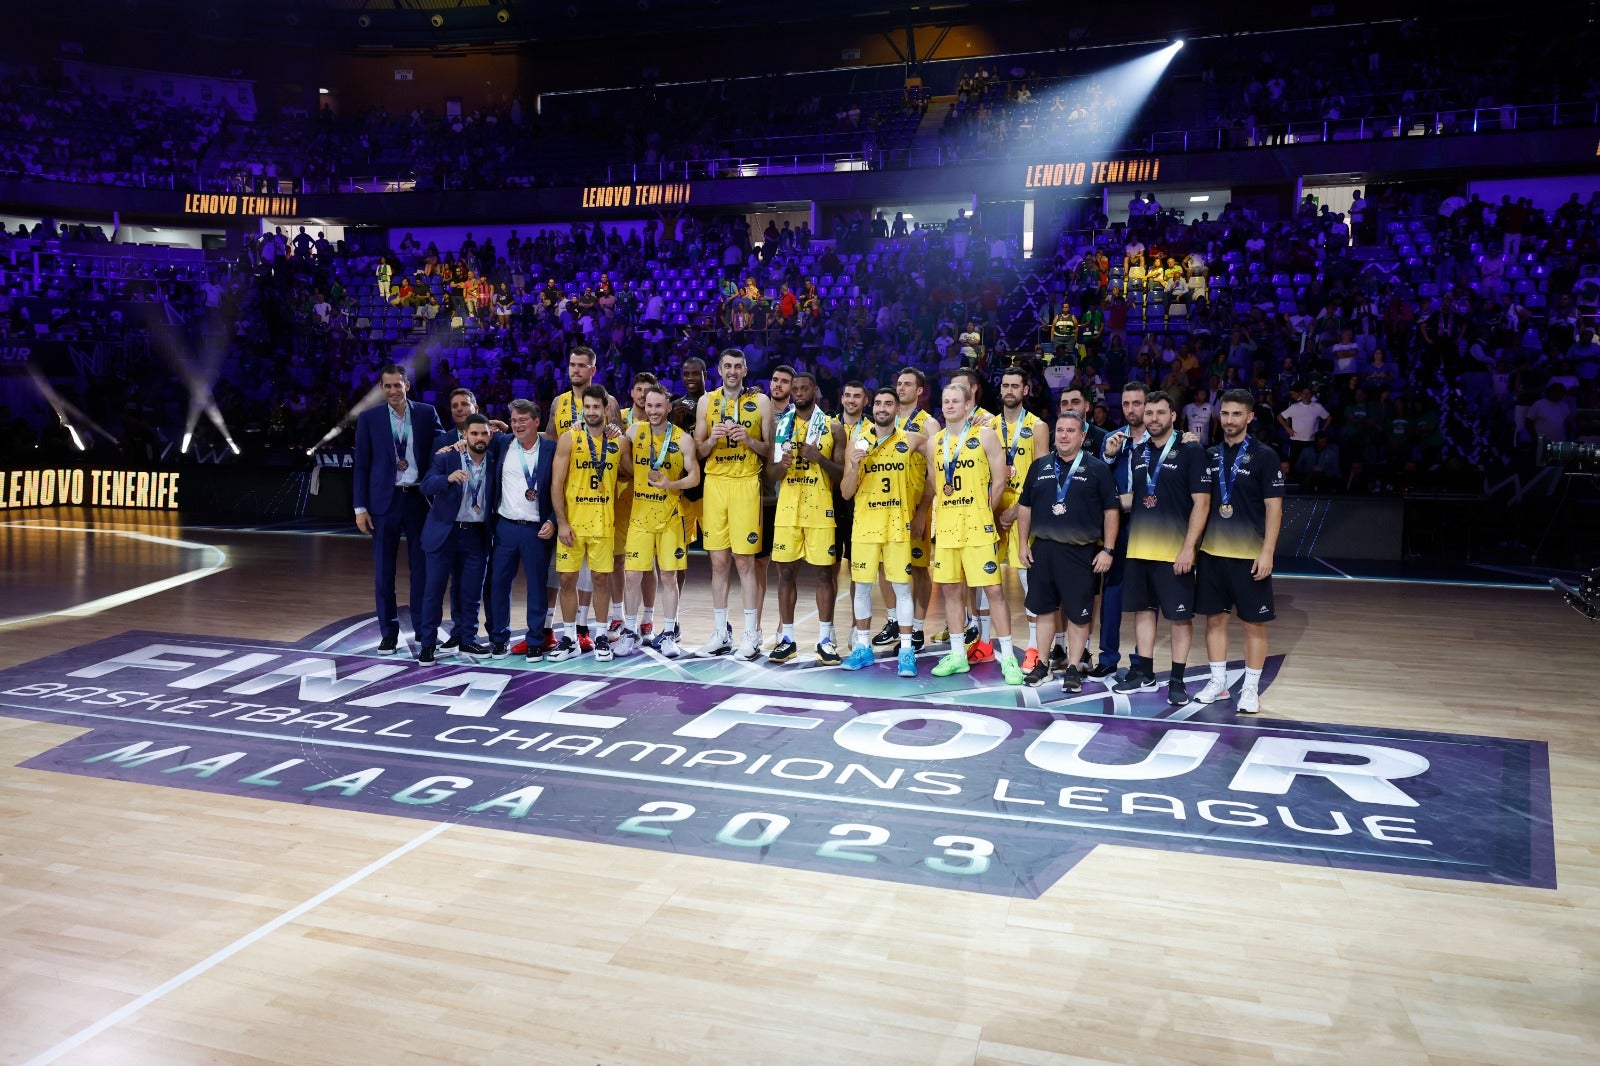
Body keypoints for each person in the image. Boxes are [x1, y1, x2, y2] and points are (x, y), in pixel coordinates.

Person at [918, 380, 1025, 684]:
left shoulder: (986, 435)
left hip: (978, 526)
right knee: (953, 592)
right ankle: (957, 655)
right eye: (945, 401)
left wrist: (983, 511)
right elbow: (936, 483)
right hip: (949, 527)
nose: (949, 405)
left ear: (968, 405)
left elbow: (1000, 480)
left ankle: (1007, 658)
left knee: (994, 591)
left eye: (956, 401)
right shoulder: (933, 442)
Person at [1113, 390, 1210, 705]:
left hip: (1174, 552)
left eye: (1160, 413)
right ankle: (1145, 673)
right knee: (1143, 612)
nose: (1153, 418)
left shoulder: (1190, 452)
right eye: (1149, 412)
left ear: (1173, 415)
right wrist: (1100, 504)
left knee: (1179, 619)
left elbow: (1202, 503)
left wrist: (1188, 549)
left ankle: (1178, 680)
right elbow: (1137, 498)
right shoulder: (1140, 452)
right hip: (1140, 549)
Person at [1193, 389, 1285, 714]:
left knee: (1252, 624)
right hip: (1212, 554)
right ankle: (1218, 682)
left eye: (1236, 414)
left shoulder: (1264, 456)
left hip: (1249, 555)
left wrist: (1268, 551)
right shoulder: (1210, 455)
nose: (1230, 420)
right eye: (1226, 414)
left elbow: (1274, 508)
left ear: (1249, 417)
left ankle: (1249, 687)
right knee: (1214, 620)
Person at [1015, 411, 1120, 692]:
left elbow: (1111, 511)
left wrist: (1108, 549)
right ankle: (1044, 665)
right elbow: (1024, 507)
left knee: (1079, 614)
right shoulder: (1039, 466)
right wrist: (1022, 543)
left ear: (1083, 436)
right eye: (1059, 430)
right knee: (1044, 611)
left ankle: (1073, 667)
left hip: (1081, 553)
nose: (1063, 435)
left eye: (1070, 431)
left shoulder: (1098, 469)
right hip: (1043, 550)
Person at [353, 364, 442, 655]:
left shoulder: (427, 413)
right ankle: (388, 633)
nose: (392, 391)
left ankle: (421, 629)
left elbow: (444, 444)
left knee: (422, 571)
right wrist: (360, 507)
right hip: (383, 502)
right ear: (381, 388)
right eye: (387, 386)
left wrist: (474, 432)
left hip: (417, 500)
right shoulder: (369, 418)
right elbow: (362, 466)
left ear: (407, 385)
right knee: (383, 572)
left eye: (397, 385)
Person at [693, 348, 774, 659]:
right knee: (718, 562)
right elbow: (697, 453)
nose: (732, 371)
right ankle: (719, 632)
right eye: (727, 366)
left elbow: (770, 451)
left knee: (745, 562)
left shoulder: (761, 402)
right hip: (715, 484)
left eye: (737, 366)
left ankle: (751, 634)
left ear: (745, 370)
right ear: (718, 369)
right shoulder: (706, 402)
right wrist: (712, 440)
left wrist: (748, 440)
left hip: (745, 484)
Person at [840, 386, 927, 677]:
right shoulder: (857, 442)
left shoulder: (912, 440)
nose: (882, 408)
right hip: (865, 526)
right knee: (862, 588)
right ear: (871, 407)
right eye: (878, 403)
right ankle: (862, 648)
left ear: (896, 409)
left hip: (896, 525)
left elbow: (945, 451)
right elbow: (845, 493)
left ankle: (906, 651)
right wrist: (853, 468)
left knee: (902, 588)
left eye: (888, 404)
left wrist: (925, 507)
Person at [545, 346, 622, 652]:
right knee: (563, 577)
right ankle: (564, 634)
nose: (575, 370)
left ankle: (591, 630)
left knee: (597, 577)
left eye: (581, 365)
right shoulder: (559, 403)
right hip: (570, 501)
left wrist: (617, 431)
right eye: (571, 364)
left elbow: (618, 449)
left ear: (593, 369)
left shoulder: (609, 401)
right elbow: (550, 441)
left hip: (602, 504)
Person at [767, 372, 845, 664]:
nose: (798, 392)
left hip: (820, 509)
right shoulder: (781, 425)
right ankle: (787, 638)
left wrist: (820, 459)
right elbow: (769, 476)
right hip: (788, 508)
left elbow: (842, 475)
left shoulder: (833, 427)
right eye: (795, 389)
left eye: (804, 388)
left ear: (815, 390)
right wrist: (781, 466)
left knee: (824, 574)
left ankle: (826, 638)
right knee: (785, 574)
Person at [623, 385, 700, 658]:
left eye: (659, 406)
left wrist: (671, 484)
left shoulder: (682, 439)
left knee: (668, 576)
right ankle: (630, 631)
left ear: (668, 408)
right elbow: (617, 451)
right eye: (649, 406)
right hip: (639, 517)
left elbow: (695, 477)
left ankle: (668, 633)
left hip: (669, 518)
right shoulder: (633, 432)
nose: (653, 411)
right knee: (632, 575)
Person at [416, 414, 497, 663]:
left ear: (490, 435)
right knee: (433, 592)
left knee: (471, 593)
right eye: (474, 434)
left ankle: (468, 640)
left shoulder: (496, 460)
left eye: (484, 433)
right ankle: (428, 644)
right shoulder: (447, 457)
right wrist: (447, 479)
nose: (479, 438)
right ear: (465, 435)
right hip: (444, 533)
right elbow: (425, 485)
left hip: (476, 534)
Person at [873, 367, 941, 653]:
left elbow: (934, 473)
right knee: (882, 565)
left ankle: (916, 626)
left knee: (918, 568)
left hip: (913, 507)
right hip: (885, 508)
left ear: (920, 390)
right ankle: (892, 620)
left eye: (907, 384)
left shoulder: (929, 424)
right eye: (898, 383)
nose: (900, 388)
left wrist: (923, 511)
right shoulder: (886, 419)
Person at [486, 399, 557, 661]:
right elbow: (473, 440)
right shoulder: (502, 443)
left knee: (537, 587)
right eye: (513, 421)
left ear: (536, 422)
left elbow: (561, 488)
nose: (517, 425)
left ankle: (535, 640)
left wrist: (553, 519)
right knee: (498, 584)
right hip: (505, 526)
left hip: (537, 529)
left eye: (522, 420)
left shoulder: (551, 448)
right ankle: (499, 639)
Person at [992, 367, 1049, 670]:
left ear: (1026, 390)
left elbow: (1041, 475)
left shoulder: (1037, 426)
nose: (1009, 390)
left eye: (1015, 385)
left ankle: (1033, 647)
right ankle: (986, 642)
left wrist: (1017, 509)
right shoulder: (988, 424)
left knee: (1029, 582)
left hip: (1024, 509)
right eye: (1005, 385)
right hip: (993, 507)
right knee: (986, 580)